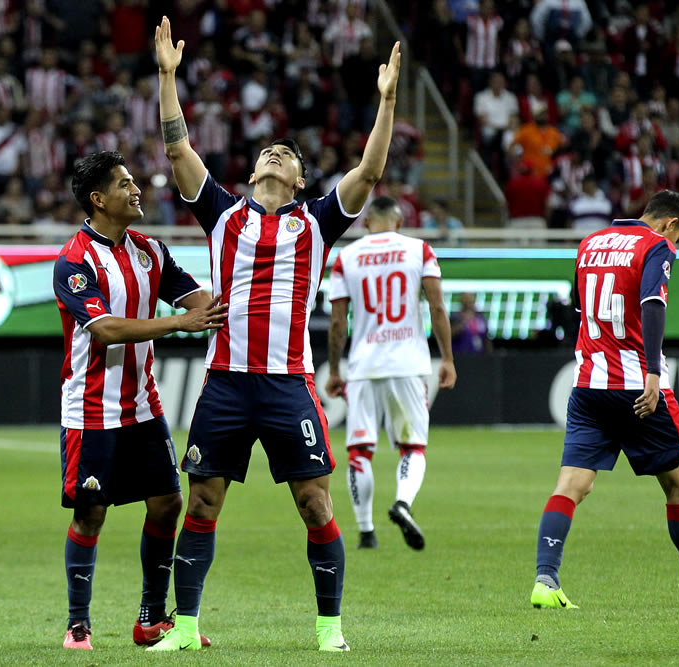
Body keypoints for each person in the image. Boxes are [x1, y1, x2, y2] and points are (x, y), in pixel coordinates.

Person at [151, 16, 400, 653]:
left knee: (315, 505)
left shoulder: (317, 222)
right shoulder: (221, 213)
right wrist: (168, 77)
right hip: (226, 385)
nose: (274, 154)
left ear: (299, 181)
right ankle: (185, 629)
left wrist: (387, 101)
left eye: (287, 155)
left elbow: (370, 173)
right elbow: (178, 151)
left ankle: (329, 629)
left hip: (289, 385)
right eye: (269, 151)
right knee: (202, 504)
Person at [530, 190, 679, 610]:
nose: (676, 244)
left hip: (588, 384)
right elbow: (652, 303)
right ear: (670, 224)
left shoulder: (590, 242)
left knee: (571, 485)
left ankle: (546, 579)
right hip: (637, 387)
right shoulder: (656, 245)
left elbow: (578, 308)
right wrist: (651, 372)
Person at [52, 150, 228, 650]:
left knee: (168, 503)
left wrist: (248, 296)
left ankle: (151, 617)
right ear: (98, 198)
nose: (136, 190)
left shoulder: (150, 251)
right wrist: (179, 323)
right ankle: (78, 624)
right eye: (124, 184)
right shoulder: (75, 261)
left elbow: (201, 302)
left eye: (134, 181)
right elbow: (105, 330)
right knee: (91, 513)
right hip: (91, 410)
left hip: (143, 406)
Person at [325, 196, 457, 551]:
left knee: (360, 451)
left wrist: (335, 369)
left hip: (364, 365)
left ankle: (366, 532)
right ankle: (402, 503)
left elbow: (338, 322)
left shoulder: (347, 257)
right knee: (412, 446)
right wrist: (447, 358)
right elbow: (437, 307)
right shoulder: (419, 250)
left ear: (366, 223)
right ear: (399, 222)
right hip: (408, 363)